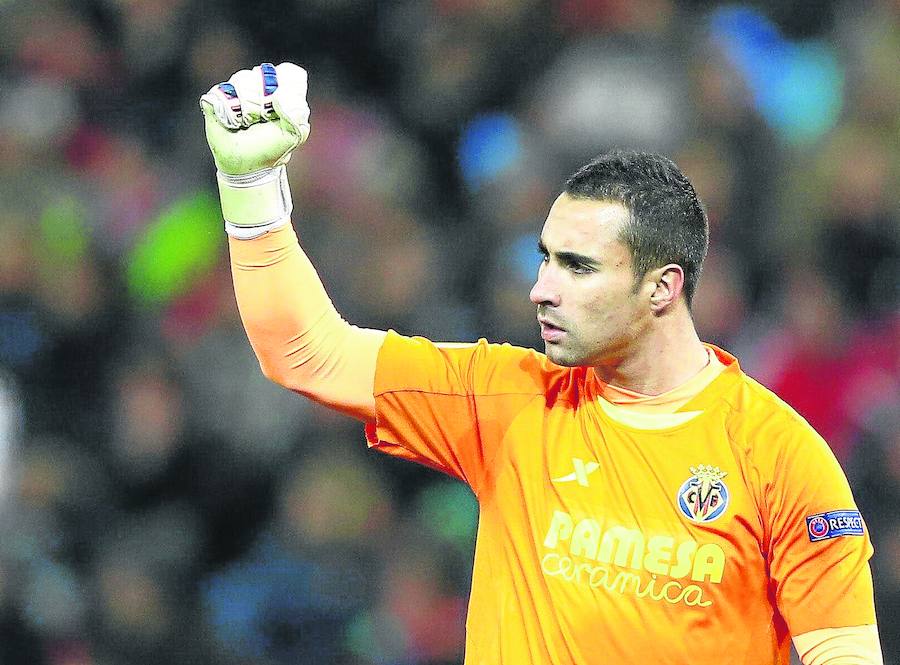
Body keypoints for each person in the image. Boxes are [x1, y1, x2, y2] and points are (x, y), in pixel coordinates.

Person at [198, 63, 883, 664]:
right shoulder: (512, 401)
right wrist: (251, 188)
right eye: (545, 258)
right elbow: (308, 352)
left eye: (578, 267)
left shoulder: (780, 456)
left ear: (662, 288)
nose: (542, 289)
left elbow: (843, 650)